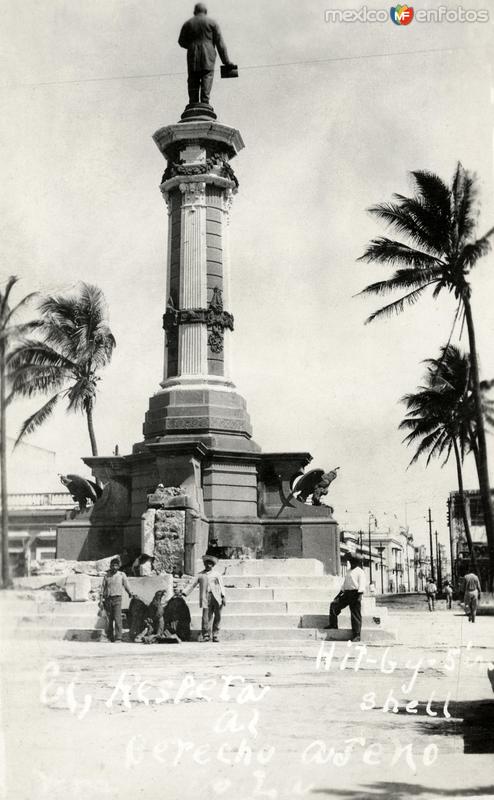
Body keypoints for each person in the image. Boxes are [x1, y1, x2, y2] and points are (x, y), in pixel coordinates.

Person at [178, 3, 232, 106]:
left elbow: (181, 41)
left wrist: (191, 46)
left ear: (194, 12)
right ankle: (205, 102)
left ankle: (193, 102)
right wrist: (227, 62)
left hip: (192, 54)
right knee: (207, 76)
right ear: (206, 11)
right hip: (209, 54)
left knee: (193, 77)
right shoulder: (212, 23)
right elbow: (220, 43)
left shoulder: (187, 24)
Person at [182, 554, 226, 642]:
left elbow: (221, 585)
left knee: (218, 616)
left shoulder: (216, 574)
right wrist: (184, 593)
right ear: (204, 564)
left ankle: (215, 634)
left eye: (210, 563)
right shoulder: (200, 575)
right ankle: (206, 635)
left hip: (216, 596)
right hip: (206, 597)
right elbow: (192, 584)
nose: (208, 565)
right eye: (206, 563)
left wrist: (223, 596)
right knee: (206, 616)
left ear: (213, 565)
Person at [326, 554, 366, 642]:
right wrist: (338, 595)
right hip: (347, 593)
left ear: (357, 562)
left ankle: (357, 635)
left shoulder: (360, 571)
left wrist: (359, 596)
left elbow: (362, 585)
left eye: (353, 561)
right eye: (350, 561)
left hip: (355, 594)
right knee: (334, 605)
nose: (351, 563)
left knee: (355, 615)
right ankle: (333, 624)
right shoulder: (348, 571)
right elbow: (345, 584)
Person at [100, 557, 135, 642]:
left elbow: (126, 585)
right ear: (110, 566)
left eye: (116, 565)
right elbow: (102, 588)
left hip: (117, 599)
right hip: (108, 599)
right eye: (113, 565)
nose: (114, 567)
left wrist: (130, 592)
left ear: (119, 566)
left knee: (117, 618)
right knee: (109, 619)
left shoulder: (121, 575)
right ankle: (110, 637)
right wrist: (101, 600)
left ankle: (118, 637)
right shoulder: (106, 576)